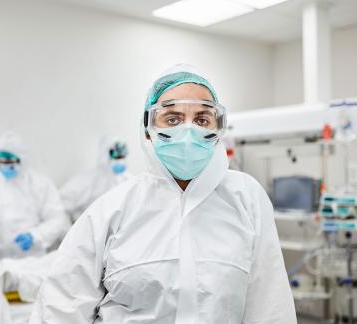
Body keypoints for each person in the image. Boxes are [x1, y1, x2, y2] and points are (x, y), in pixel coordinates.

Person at [30, 64, 296, 323]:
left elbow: (270, 306)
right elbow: (60, 309)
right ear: (148, 128)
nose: (189, 131)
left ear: (218, 129)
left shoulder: (246, 198)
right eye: (172, 119)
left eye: (202, 119)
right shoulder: (112, 209)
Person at [0, 131, 70, 259]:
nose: (4, 166)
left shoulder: (40, 185)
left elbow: (57, 219)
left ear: (21, 160)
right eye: (0, 162)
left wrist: (35, 236)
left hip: (32, 261)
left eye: (9, 162)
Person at [59, 136, 132, 222]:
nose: (120, 160)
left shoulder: (127, 179)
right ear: (104, 154)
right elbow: (60, 203)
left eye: (122, 155)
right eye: (116, 155)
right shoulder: (88, 180)